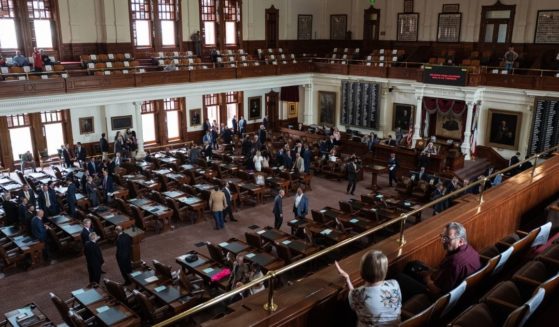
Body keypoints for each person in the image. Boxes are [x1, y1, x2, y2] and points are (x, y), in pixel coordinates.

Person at [398, 222, 481, 300]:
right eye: (442, 237)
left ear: (461, 241)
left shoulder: (455, 262)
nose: (443, 241)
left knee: (400, 278)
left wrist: (427, 280)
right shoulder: (471, 250)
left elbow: (438, 292)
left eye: (447, 239)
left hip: (440, 298)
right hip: (454, 287)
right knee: (413, 265)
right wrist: (431, 272)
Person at [335, 251, 402, 326]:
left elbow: (354, 295)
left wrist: (347, 279)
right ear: (384, 270)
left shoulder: (357, 294)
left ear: (362, 270)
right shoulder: (394, 284)